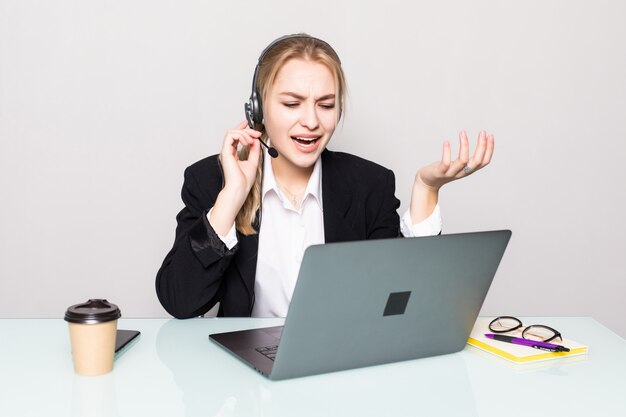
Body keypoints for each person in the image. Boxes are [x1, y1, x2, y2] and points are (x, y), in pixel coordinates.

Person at [155, 34, 494, 319]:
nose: (312, 121)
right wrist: (233, 195)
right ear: (257, 109)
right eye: (292, 104)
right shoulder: (210, 180)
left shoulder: (369, 185)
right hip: (244, 381)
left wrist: (425, 189)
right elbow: (180, 302)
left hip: (340, 372)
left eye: (326, 105)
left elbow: (402, 302)